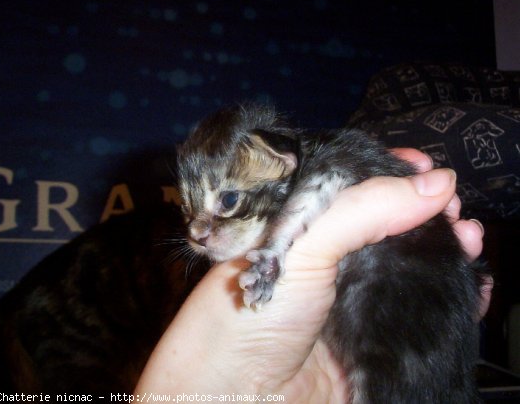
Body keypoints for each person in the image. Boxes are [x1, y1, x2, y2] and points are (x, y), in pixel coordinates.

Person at [135, 149, 491, 403]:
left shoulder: (320, 168)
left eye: (228, 200)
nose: (195, 229)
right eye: (186, 209)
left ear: (282, 160)